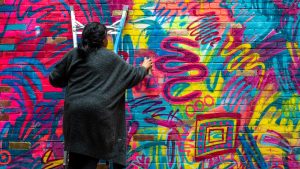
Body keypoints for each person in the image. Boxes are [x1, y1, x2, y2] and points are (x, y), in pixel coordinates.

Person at [49, 22, 152, 169]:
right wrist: (144, 67)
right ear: (104, 39)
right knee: (90, 157)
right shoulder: (111, 58)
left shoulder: (74, 54)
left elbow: (54, 79)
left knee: (77, 159)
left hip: (75, 115)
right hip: (98, 117)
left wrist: (71, 79)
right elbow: (132, 76)